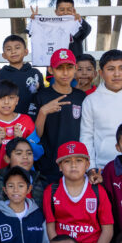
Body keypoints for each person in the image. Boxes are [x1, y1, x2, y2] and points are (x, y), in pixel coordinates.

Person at [42, 141, 114, 243]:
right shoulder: (51, 191)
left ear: (87, 165)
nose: (73, 165)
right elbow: (51, 227)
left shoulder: (98, 191)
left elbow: (107, 230)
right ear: (60, 166)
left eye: (79, 160)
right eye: (67, 161)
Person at [35, 49, 86, 184]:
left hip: (77, 166)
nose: (65, 73)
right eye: (59, 68)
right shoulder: (41, 96)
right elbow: (35, 136)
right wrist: (43, 112)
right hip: (49, 166)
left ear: (75, 68)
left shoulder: (81, 97)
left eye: (69, 68)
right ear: (51, 70)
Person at [0, 79, 43, 173]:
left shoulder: (26, 121)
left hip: (23, 180)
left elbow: (38, 153)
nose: (6, 102)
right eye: (1, 98)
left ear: (17, 100)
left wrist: (23, 140)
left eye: (11, 98)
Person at [0, 34, 43, 116]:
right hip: (7, 122)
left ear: (26, 52)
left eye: (17, 48)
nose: (13, 51)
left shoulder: (35, 73)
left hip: (32, 121)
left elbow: (42, 98)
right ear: (4, 55)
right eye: (9, 49)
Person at [27, 0, 91, 64]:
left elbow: (87, 30)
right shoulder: (49, 26)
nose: (65, 12)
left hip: (74, 67)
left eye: (69, 10)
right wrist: (36, 20)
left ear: (73, 11)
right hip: (54, 67)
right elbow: (36, 32)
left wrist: (80, 20)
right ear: (56, 12)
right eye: (62, 10)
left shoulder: (75, 24)